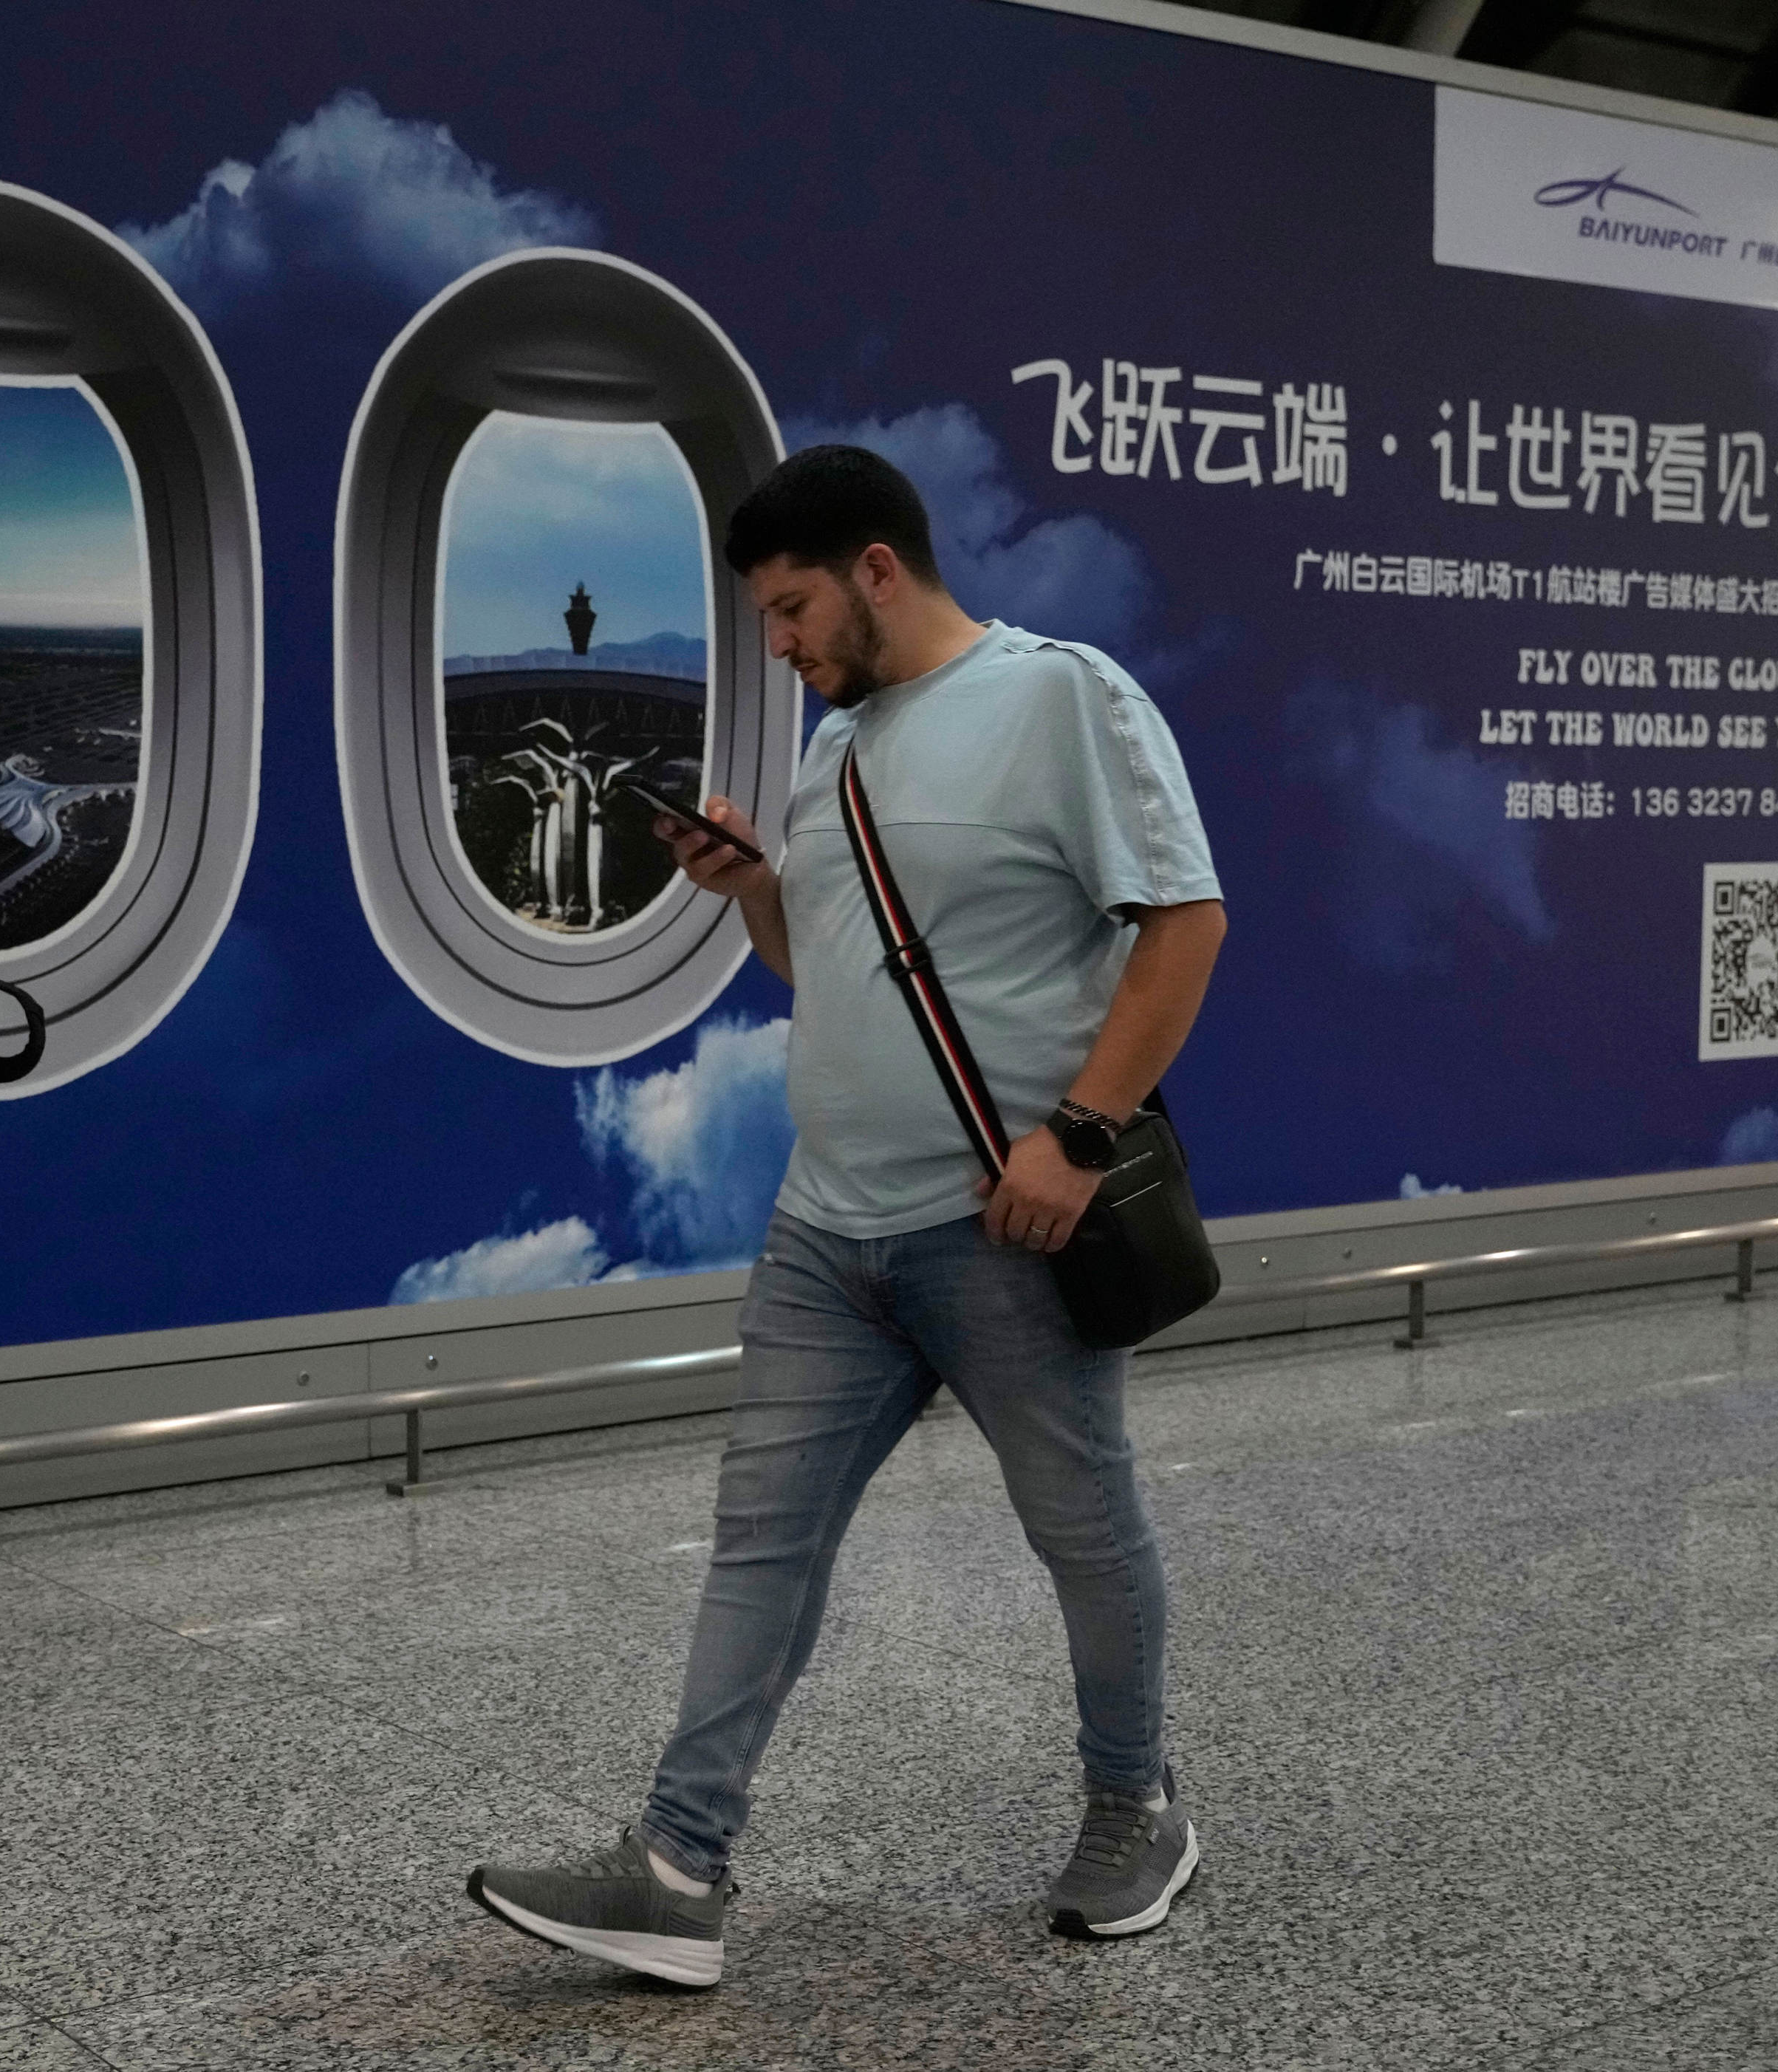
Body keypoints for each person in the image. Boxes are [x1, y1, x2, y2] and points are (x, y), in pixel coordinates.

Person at [468, 447, 1227, 1983]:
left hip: (1001, 1230)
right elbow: (829, 976)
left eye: (796, 605)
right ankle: (680, 1865)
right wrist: (749, 886)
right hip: (828, 1233)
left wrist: (1077, 1138)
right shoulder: (839, 753)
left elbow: (1186, 918)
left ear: (880, 568)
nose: (781, 642)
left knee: (1081, 1530)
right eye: (764, 615)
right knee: (762, 1540)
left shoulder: (1061, 697)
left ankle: (1133, 1803)